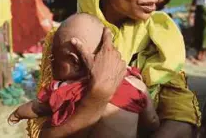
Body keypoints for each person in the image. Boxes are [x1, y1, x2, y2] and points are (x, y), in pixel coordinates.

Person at [27, 0, 201, 138]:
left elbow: (180, 113)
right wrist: (97, 98)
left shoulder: (160, 36)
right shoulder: (69, 40)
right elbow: (45, 131)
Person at [9, 14, 159, 137]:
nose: (52, 65)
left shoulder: (67, 89)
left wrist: (18, 113)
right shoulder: (135, 83)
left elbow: (38, 107)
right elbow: (152, 120)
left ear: (74, 62)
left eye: (55, 59)